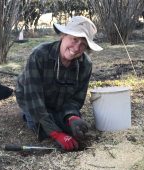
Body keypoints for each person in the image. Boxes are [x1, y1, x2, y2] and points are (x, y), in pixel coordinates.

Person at [15, 16, 103, 151]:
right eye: (74, 39)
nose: (76, 48)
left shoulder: (86, 65)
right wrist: (56, 133)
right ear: (63, 35)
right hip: (31, 98)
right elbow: (34, 99)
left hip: (59, 101)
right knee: (44, 130)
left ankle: (59, 117)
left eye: (83, 44)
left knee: (76, 129)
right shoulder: (39, 54)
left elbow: (76, 99)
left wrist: (71, 116)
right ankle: (28, 115)